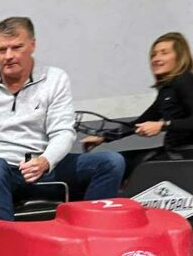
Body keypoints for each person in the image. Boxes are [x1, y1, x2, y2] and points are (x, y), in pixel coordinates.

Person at [0, 17, 125, 220]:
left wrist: (45, 161)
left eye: (16, 47)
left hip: (38, 167)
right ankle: (3, 244)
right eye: (2, 50)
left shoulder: (54, 79)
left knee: (110, 162)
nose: (8, 56)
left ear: (32, 45)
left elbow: (63, 132)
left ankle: (88, 229)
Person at [81, 31, 193, 178]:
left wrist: (162, 126)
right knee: (119, 161)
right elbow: (139, 123)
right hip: (173, 151)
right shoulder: (167, 89)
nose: (156, 58)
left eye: (164, 53)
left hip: (185, 155)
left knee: (126, 165)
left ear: (179, 57)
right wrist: (103, 137)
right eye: (154, 54)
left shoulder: (185, 81)